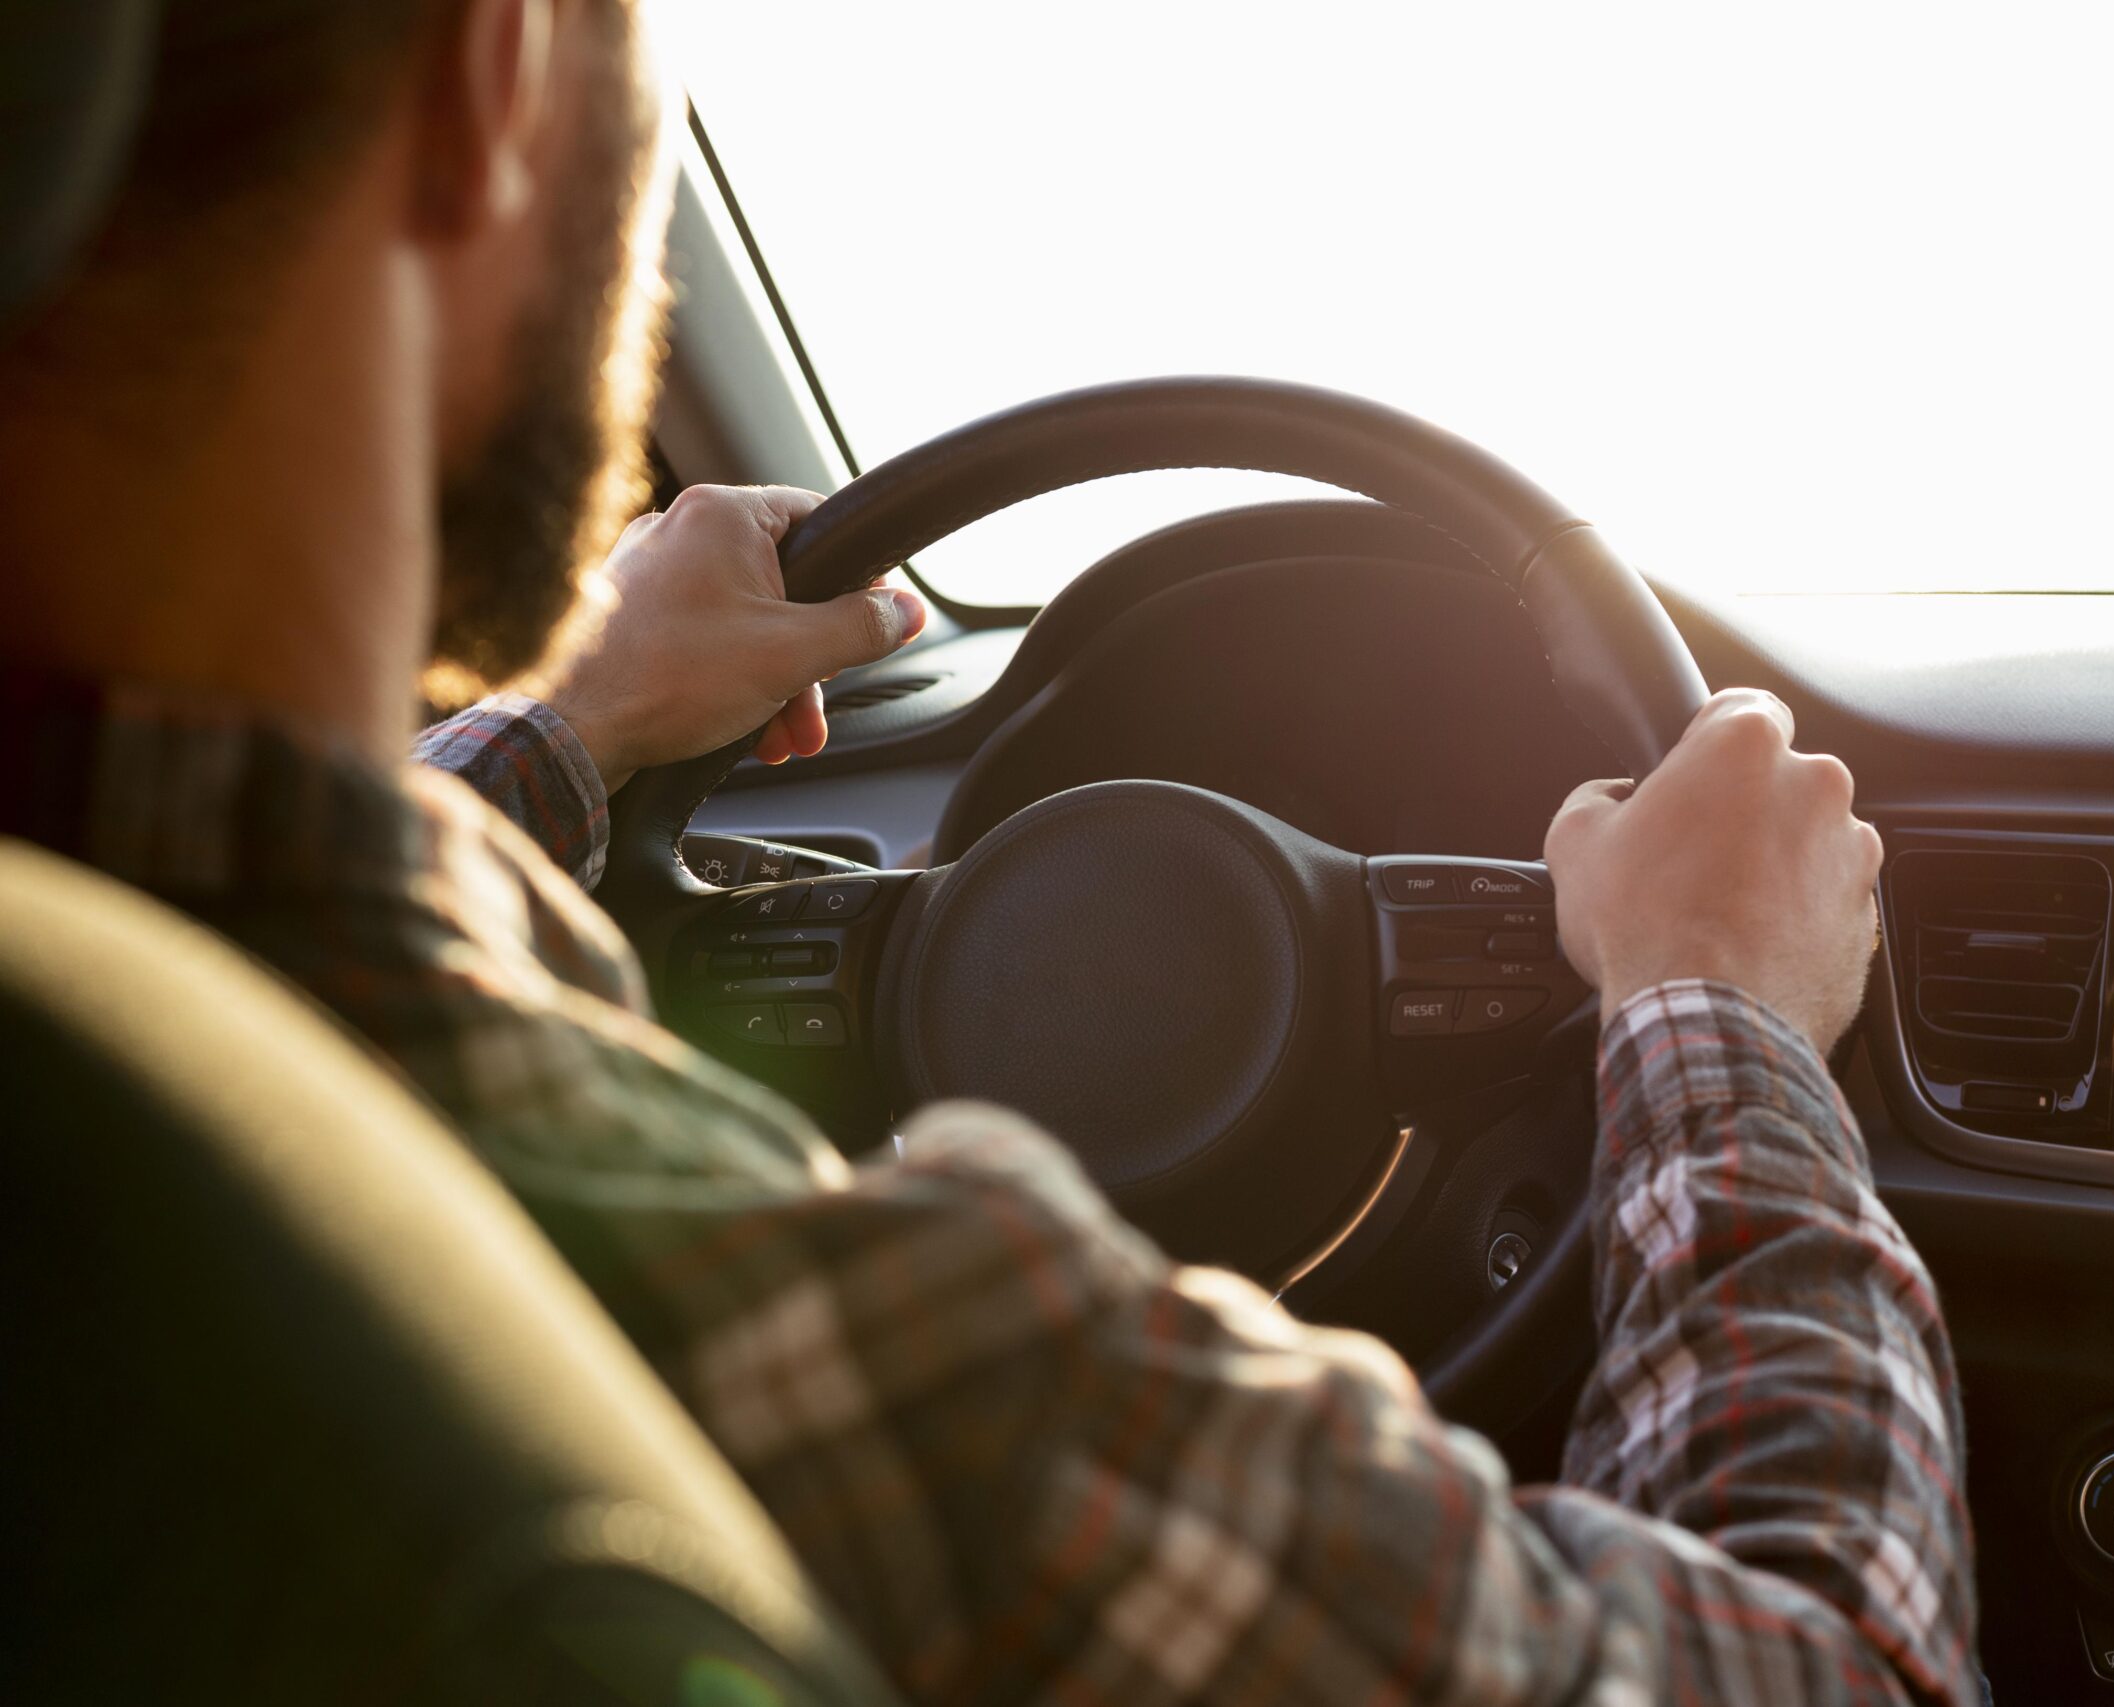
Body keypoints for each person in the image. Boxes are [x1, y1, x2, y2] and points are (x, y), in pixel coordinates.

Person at [0, 2, 1975, 1703]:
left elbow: (218, 894)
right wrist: (1715, 1013)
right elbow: (1824, 1666)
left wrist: (573, 718)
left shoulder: (125, 1001)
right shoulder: (793, 1316)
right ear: (488, 75)